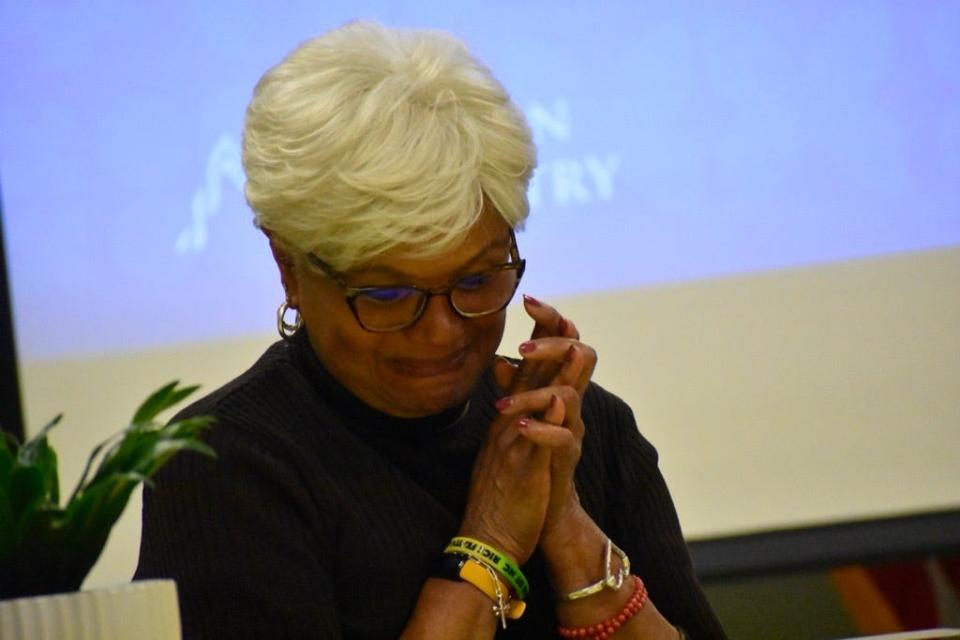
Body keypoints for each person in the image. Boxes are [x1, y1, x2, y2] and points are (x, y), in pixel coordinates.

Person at [135, 21, 726, 639]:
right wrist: (489, 545)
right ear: (289, 267)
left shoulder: (579, 431)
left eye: (476, 282)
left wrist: (567, 527)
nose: (443, 332)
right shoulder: (226, 469)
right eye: (388, 294)